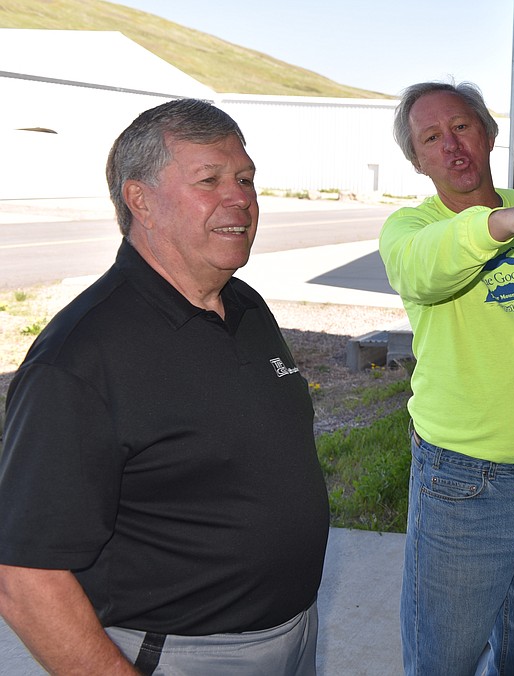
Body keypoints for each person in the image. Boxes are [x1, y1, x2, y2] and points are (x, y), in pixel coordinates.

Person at [0, 99, 329, 674]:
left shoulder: (245, 305)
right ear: (140, 201)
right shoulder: (79, 359)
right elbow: (24, 577)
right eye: (210, 179)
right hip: (179, 654)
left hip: (296, 632)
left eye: (246, 178)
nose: (241, 198)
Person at [379, 81, 514, 676]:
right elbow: (427, 271)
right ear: (417, 159)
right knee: (444, 661)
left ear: (488, 133)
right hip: (463, 486)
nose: (451, 145)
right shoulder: (410, 230)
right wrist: (504, 222)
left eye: (462, 126)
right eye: (431, 138)